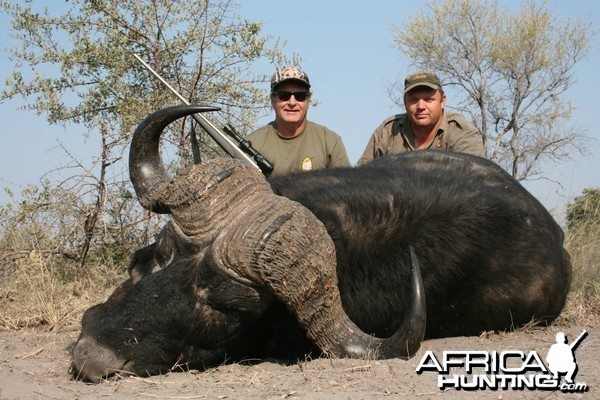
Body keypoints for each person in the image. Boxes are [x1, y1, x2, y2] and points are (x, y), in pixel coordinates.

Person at [357, 70, 485, 165]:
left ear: (442, 101)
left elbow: (474, 181)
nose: (421, 106)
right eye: (413, 100)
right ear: (405, 102)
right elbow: (361, 177)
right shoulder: (388, 130)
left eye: (429, 100)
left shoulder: (461, 132)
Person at [246, 66, 350, 176]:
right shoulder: (253, 144)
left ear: (308, 101)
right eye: (284, 96)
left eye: (300, 96)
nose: (292, 102)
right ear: (272, 100)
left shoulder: (330, 142)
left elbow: (346, 186)